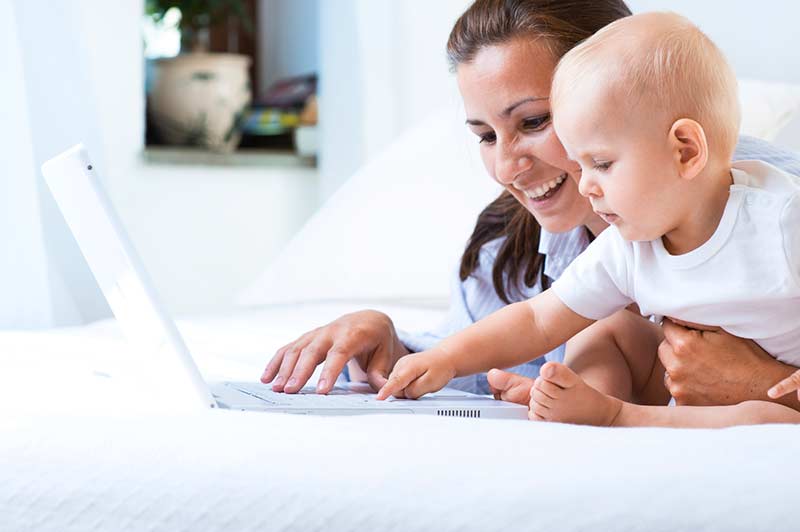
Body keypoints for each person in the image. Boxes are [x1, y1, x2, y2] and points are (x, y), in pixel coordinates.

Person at [261, 0, 800, 414]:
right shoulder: (505, 249)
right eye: (485, 135)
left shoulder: (765, 202)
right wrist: (394, 346)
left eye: (535, 122)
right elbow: (490, 352)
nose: (505, 168)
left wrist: (760, 388)